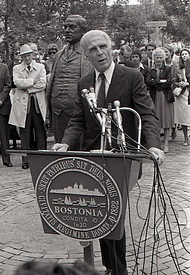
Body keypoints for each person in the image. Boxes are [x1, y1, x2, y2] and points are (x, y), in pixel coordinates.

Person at [51, 30, 164, 275]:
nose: (99, 52)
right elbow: (78, 120)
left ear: (111, 47)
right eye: (93, 49)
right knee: (99, 212)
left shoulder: (132, 77)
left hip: (123, 160)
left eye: (103, 46)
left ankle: (118, 269)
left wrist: (153, 145)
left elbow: (147, 113)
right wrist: (66, 143)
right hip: (94, 159)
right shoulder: (84, 84)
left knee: (113, 213)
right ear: (86, 54)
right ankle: (111, 266)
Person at [46, 14, 93, 143]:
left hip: (78, 113)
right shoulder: (58, 55)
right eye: (65, 27)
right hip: (57, 111)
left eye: (72, 27)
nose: (67, 30)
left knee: (79, 151)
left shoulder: (89, 55)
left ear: (83, 30)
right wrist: (48, 112)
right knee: (60, 148)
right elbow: (51, 83)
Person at [9, 44, 47, 169]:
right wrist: (32, 82)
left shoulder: (40, 67)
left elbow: (42, 84)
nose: (27, 58)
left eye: (29, 55)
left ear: (33, 55)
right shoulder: (17, 68)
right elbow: (17, 83)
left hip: (37, 103)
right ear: (21, 57)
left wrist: (27, 87)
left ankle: (42, 157)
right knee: (25, 132)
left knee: (40, 130)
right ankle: (26, 160)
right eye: (24, 56)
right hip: (22, 104)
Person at [146, 48, 175, 153]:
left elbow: (169, 82)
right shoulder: (150, 69)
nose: (158, 60)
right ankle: (157, 143)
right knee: (155, 119)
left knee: (166, 119)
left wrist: (157, 83)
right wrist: (159, 82)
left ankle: (166, 143)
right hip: (154, 96)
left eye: (160, 57)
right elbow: (148, 81)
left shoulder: (168, 69)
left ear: (163, 58)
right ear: (154, 58)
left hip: (165, 95)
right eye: (157, 57)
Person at [0, 62, 12, 167]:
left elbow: (8, 84)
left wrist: (0, 100)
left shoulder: (4, 68)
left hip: (2, 106)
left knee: (4, 135)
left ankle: (6, 159)